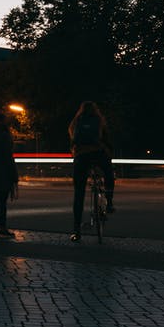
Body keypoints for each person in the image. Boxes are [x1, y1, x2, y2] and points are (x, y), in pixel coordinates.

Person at [69, 101, 114, 242]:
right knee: (108, 172)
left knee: (79, 193)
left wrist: (75, 152)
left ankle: (76, 231)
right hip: (98, 154)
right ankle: (110, 201)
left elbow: (72, 140)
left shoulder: (75, 122)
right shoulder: (99, 121)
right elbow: (107, 140)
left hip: (81, 156)